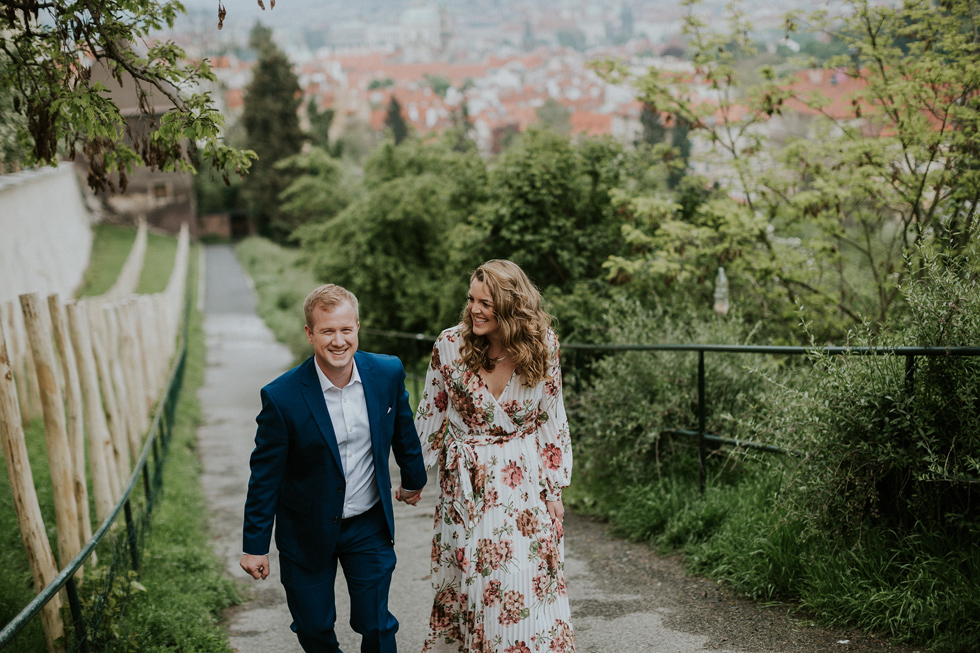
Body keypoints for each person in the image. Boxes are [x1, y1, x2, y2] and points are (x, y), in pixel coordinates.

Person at [240, 284, 428, 653]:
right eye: (327, 331)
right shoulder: (281, 397)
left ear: (357, 327)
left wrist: (413, 480)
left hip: (367, 524)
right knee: (314, 629)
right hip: (305, 530)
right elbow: (265, 477)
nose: (338, 341)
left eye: (345, 329)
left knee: (377, 625)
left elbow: (403, 431)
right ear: (310, 334)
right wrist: (255, 546)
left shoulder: (387, 372)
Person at [413, 260, 574, 653]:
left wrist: (554, 489)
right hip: (465, 484)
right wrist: (413, 473)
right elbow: (431, 411)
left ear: (511, 306)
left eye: (486, 303)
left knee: (522, 583)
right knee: (473, 586)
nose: (474, 309)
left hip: (523, 483)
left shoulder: (543, 345)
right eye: (472, 299)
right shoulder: (450, 345)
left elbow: (551, 418)